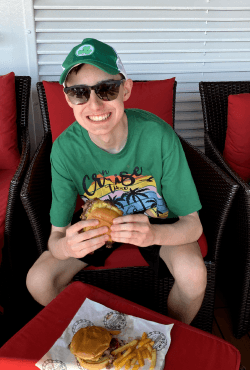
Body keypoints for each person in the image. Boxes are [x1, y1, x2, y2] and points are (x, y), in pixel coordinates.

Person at [26, 38, 206, 325]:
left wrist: (155, 235)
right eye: (79, 93)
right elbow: (56, 237)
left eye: (106, 89)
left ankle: (167, 337)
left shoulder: (158, 135)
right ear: (67, 98)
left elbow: (192, 224)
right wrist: (67, 248)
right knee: (38, 279)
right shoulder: (63, 149)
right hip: (96, 225)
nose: (94, 104)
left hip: (158, 220)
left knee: (194, 276)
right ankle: (99, 332)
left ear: (126, 89)